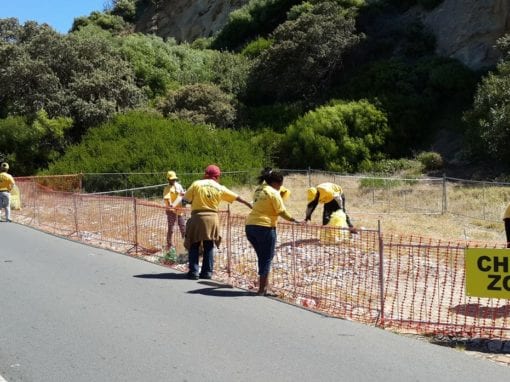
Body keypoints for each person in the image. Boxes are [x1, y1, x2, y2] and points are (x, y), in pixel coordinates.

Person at [184, 164, 252, 280]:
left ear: (205, 174)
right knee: (209, 245)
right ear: (217, 176)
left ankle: (194, 272)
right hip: (212, 218)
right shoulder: (220, 187)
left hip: (197, 217)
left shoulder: (196, 184)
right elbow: (236, 197)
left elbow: (185, 199)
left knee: (194, 244)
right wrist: (248, 204)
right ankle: (207, 272)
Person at [246, 169, 301, 296]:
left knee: (262, 257)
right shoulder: (273, 192)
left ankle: (265, 285)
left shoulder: (259, 189)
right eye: (280, 184)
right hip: (265, 227)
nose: (281, 186)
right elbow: (281, 211)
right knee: (266, 258)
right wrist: (294, 220)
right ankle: (261, 290)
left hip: (250, 226)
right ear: (276, 182)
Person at [163, 170, 186, 250]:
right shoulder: (167, 189)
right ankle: (169, 245)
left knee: (183, 227)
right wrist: (171, 206)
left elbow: (183, 195)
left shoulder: (179, 186)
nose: (173, 180)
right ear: (168, 179)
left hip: (180, 211)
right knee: (171, 228)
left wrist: (184, 196)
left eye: (174, 179)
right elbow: (168, 200)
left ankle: (186, 245)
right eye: (172, 179)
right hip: (171, 212)